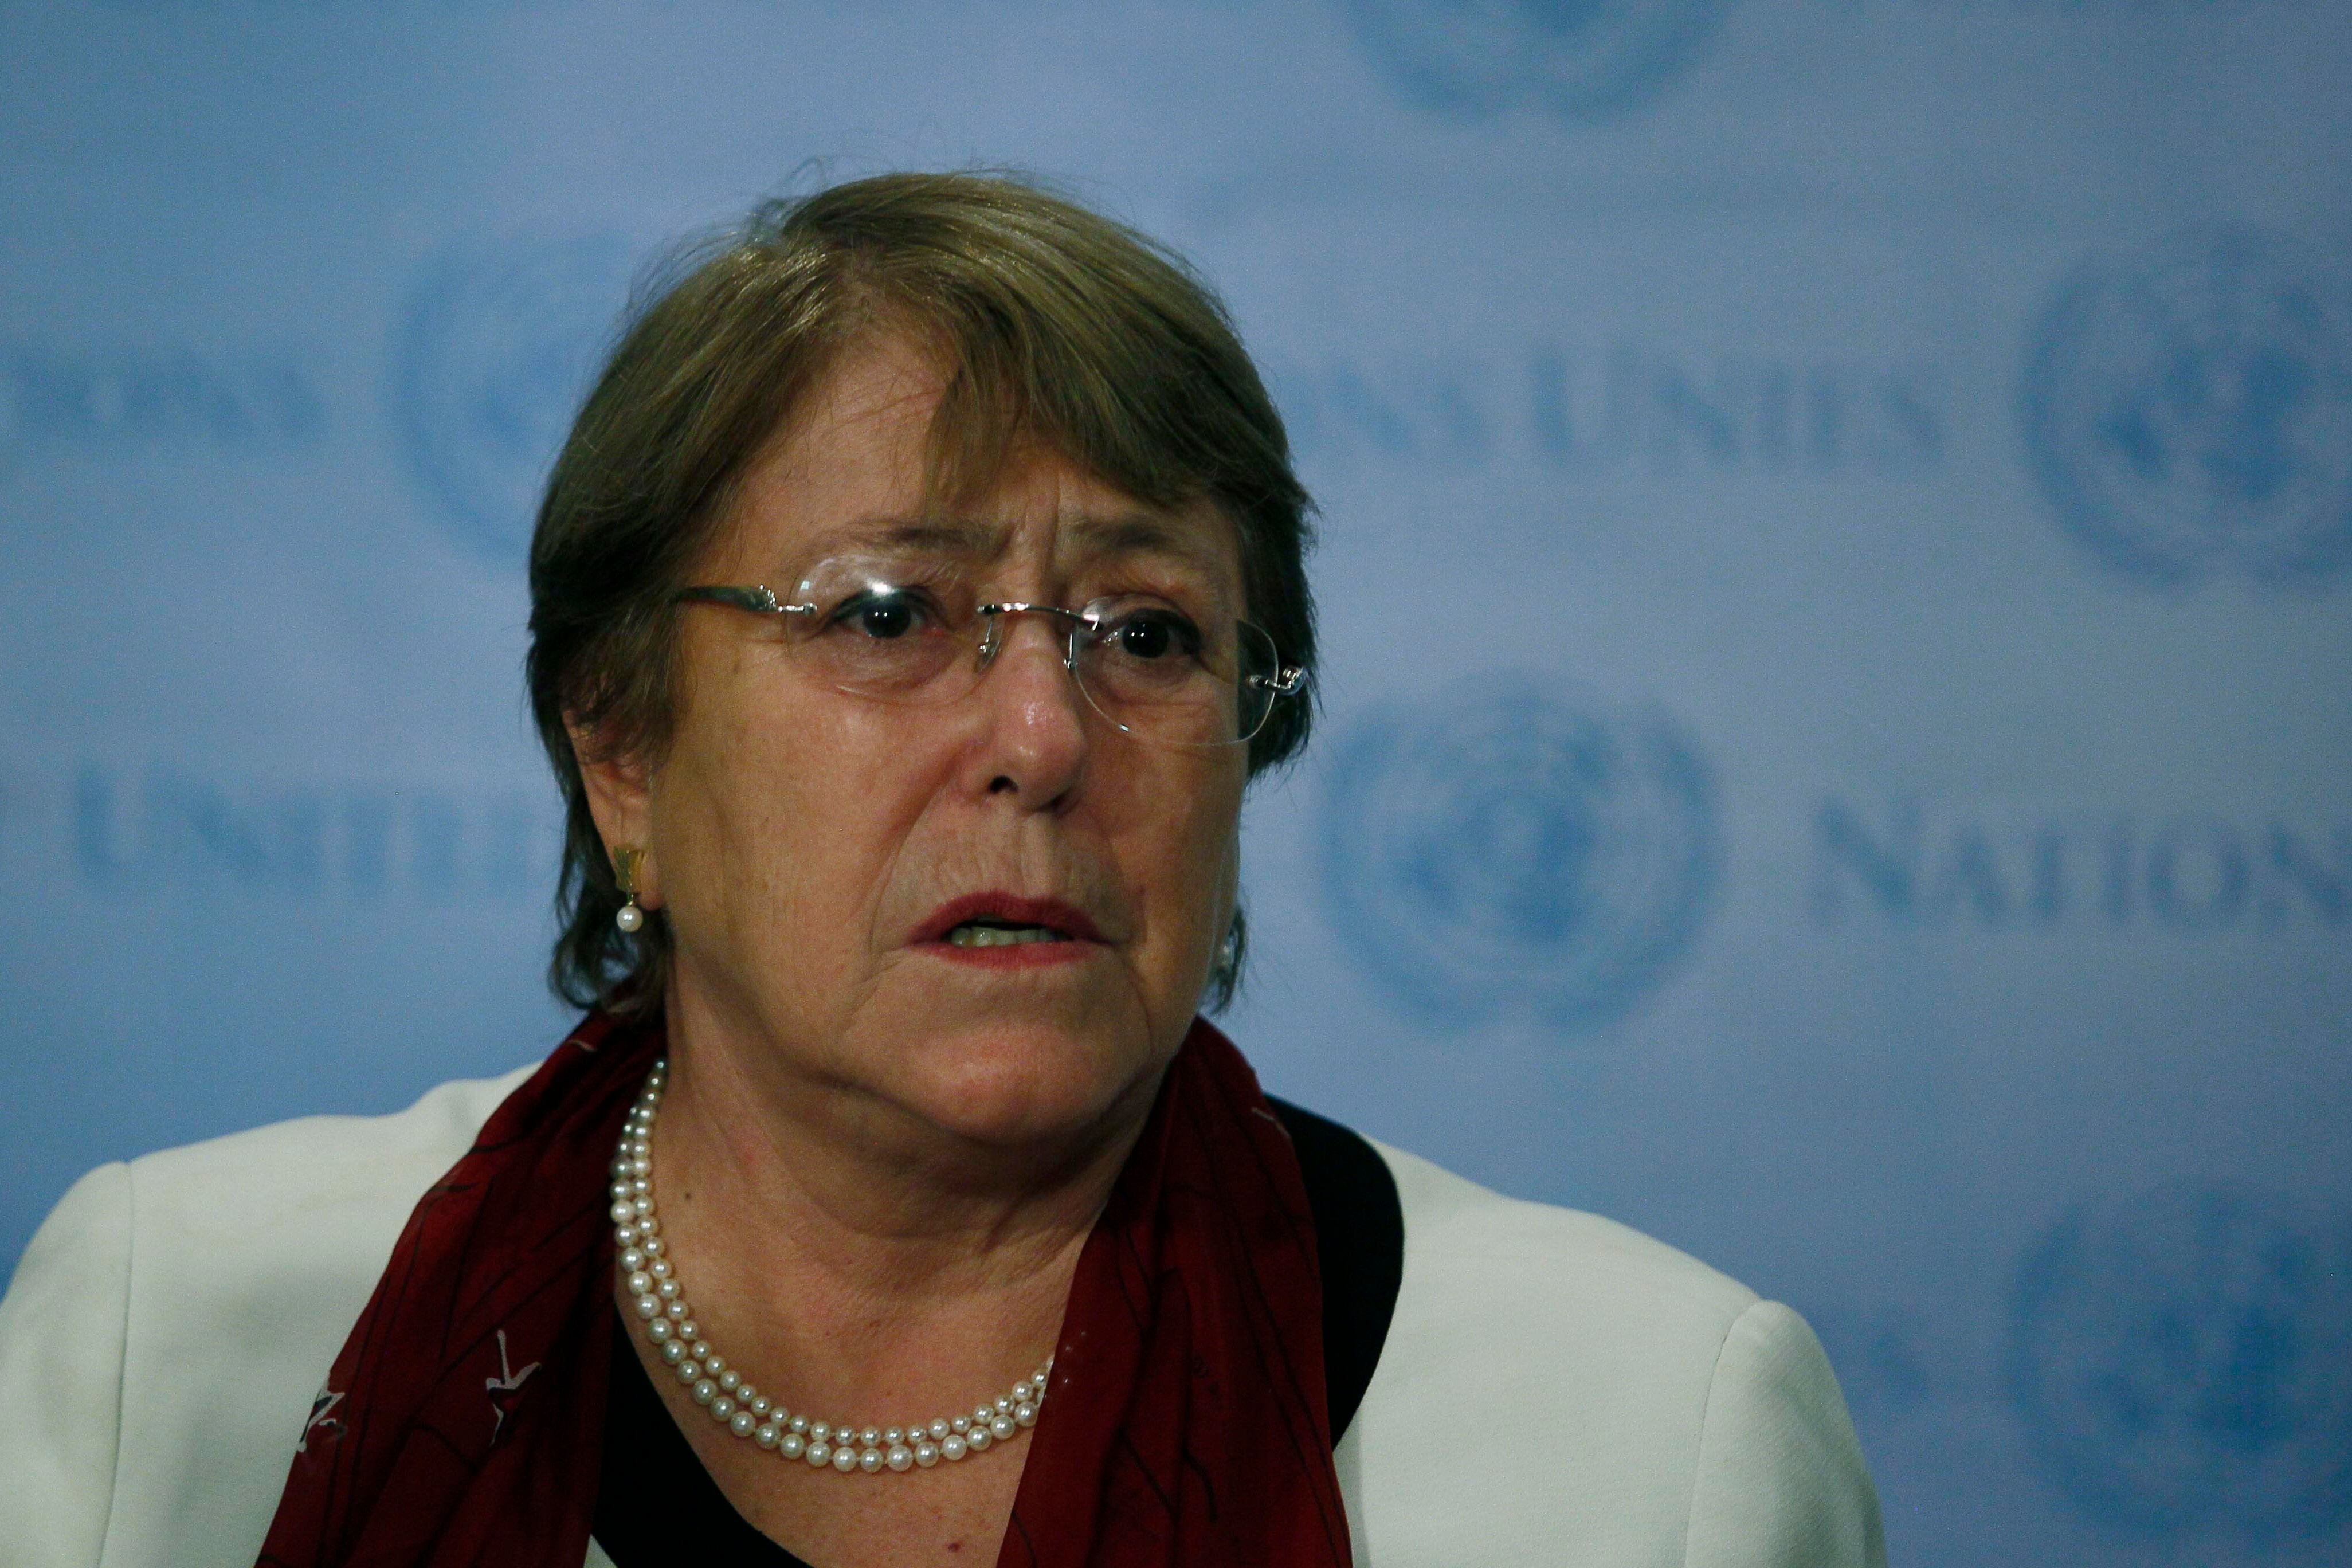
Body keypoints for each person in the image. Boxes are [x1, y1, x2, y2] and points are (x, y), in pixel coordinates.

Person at [0, 172, 1885, 1568]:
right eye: (890, 613)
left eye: (1147, 635)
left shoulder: (1656, 1442)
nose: (1046, 740)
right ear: (624, 748)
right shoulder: (170, 1346)